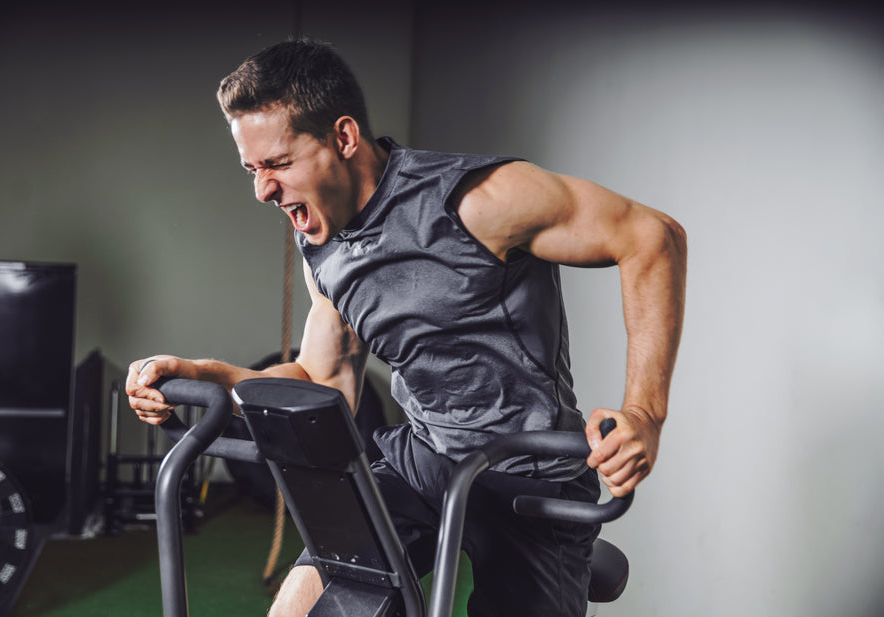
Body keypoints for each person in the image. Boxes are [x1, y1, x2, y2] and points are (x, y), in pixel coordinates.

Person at [126, 38, 686, 617]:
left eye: (278, 163)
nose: (262, 189)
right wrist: (209, 378)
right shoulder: (323, 243)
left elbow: (652, 237)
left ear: (343, 138)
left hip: (528, 471)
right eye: (252, 168)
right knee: (301, 607)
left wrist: (644, 414)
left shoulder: (477, 200)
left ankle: (566, 556)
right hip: (422, 460)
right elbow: (324, 378)